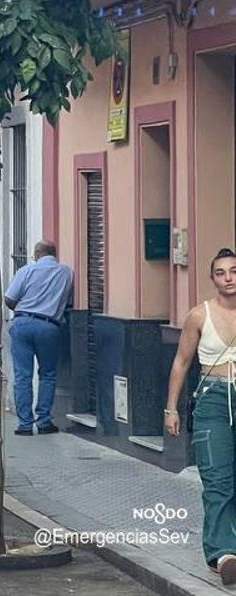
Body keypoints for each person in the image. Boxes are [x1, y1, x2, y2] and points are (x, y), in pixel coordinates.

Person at [165, 248, 236, 585]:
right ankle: (224, 554)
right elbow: (181, 362)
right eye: (220, 273)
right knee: (217, 479)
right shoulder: (198, 315)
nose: (228, 278)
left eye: (233, 271)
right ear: (212, 279)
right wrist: (171, 409)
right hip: (212, 400)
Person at [4, 239, 73, 435]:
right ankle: (44, 421)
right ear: (54, 253)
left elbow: (9, 298)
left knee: (22, 376)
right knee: (48, 374)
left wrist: (23, 310)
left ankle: (25, 424)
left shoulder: (26, 271)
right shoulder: (66, 272)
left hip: (22, 323)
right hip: (49, 325)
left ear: (36, 254)